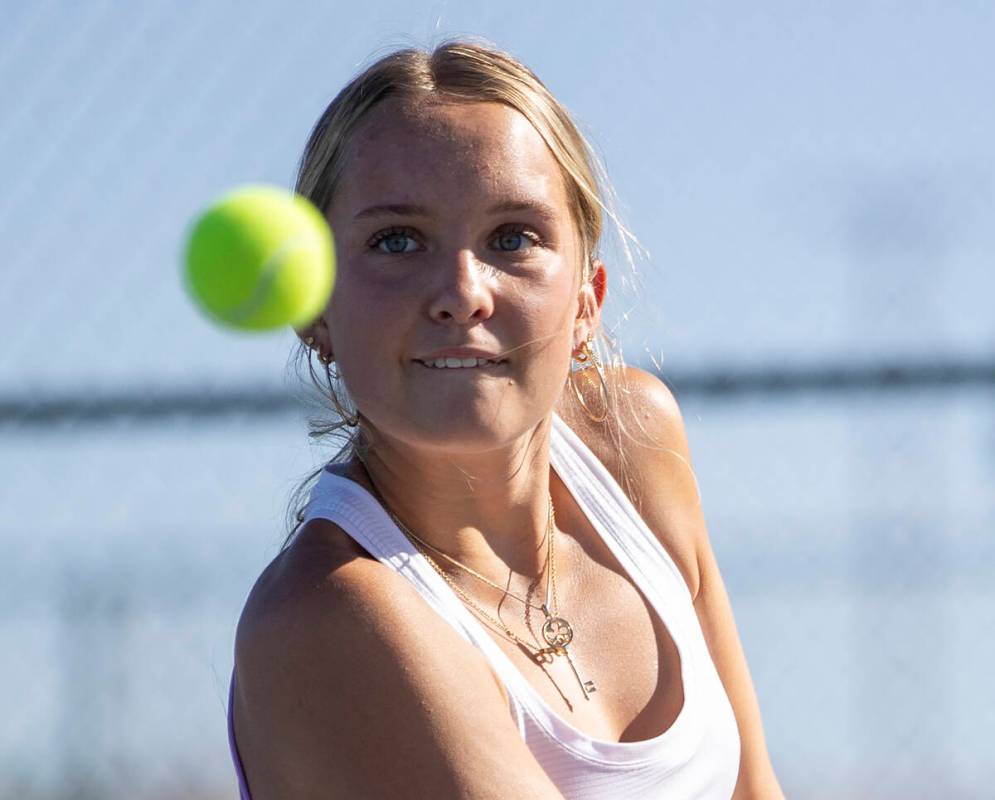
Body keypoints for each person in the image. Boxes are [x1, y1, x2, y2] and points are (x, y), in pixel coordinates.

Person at [226, 40, 784, 799]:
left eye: (512, 237)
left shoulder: (634, 440)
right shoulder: (330, 613)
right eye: (397, 240)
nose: (462, 292)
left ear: (587, 299)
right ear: (315, 308)